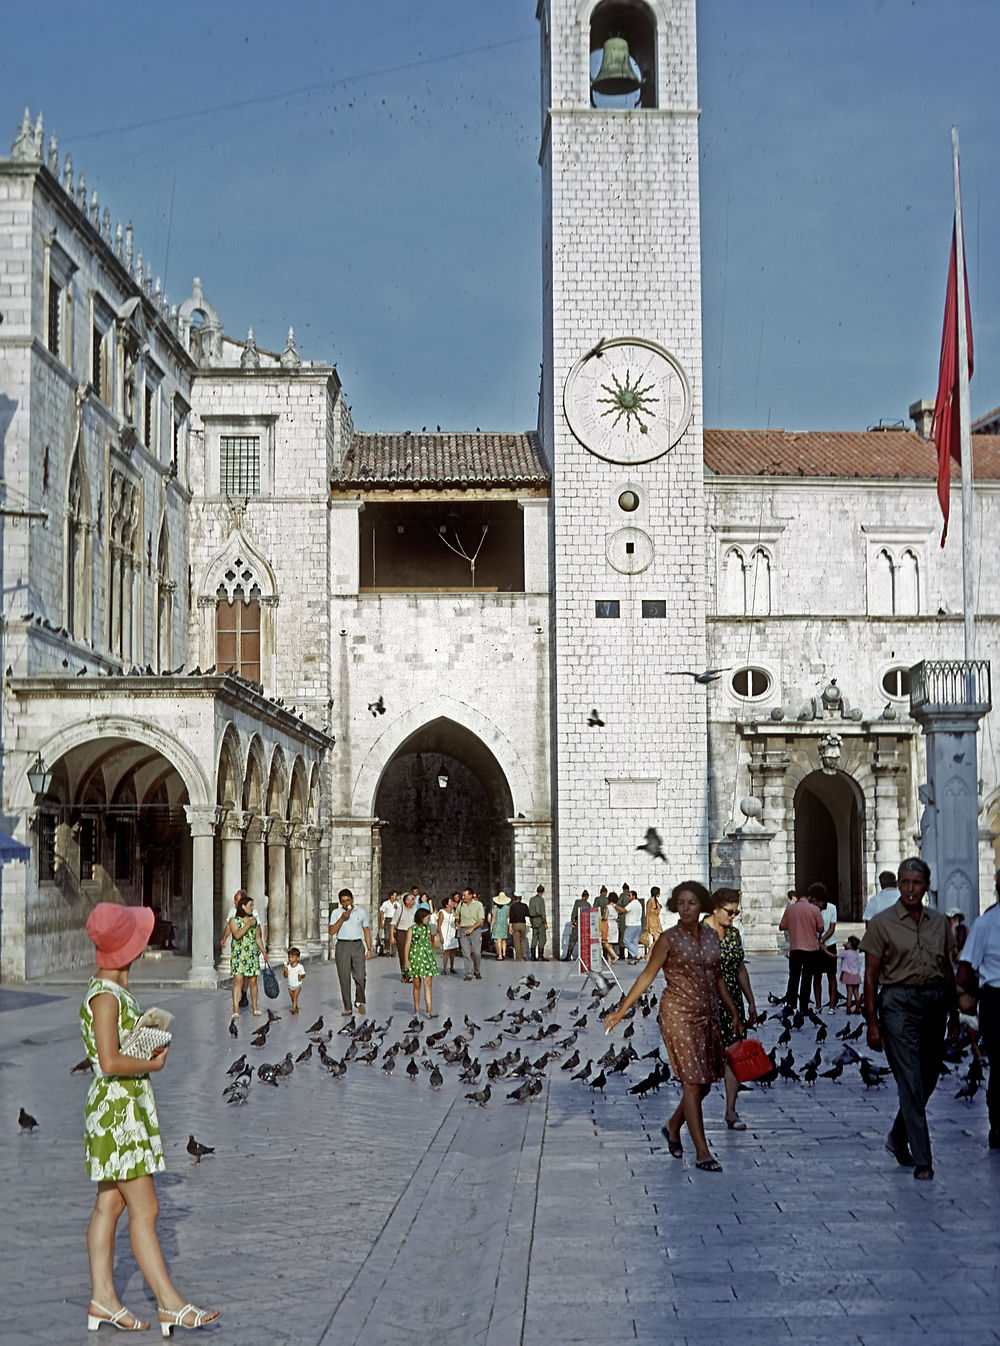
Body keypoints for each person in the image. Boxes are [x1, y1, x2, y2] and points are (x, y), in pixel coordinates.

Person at [81, 902, 219, 1336]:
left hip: (119, 1108)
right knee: (147, 1208)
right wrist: (152, 1064)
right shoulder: (105, 996)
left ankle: (103, 1297)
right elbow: (107, 1060)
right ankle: (169, 1303)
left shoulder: (112, 992)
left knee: (111, 1202)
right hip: (119, 1112)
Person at [605, 881, 743, 1172]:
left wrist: (733, 1011)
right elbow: (646, 976)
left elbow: (717, 977)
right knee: (692, 1083)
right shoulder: (667, 939)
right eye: (681, 903)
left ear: (701, 905)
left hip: (709, 1015)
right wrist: (620, 1012)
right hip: (678, 1017)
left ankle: (672, 1124)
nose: (686, 908)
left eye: (692, 903)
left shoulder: (711, 937)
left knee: (704, 1084)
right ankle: (702, 1152)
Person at [860, 857, 959, 1180]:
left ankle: (897, 1135)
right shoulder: (883, 923)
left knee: (928, 1077)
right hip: (898, 1004)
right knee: (910, 1079)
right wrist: (872, 1022)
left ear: (926, 886)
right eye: (905, 882)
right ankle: (923, 1159)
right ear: (898, 884)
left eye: (917, 883)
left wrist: (954, 1013)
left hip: (934, 1003)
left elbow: (947, 969)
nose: (910, 889)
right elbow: (871, 976)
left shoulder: (939, 922)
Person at [703, 888, 757, 1129]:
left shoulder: (734, 934)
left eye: (736, 913)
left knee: (733, 1057)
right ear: (715, 908)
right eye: (729, 912)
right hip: (705, 1004)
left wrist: (750, 1000)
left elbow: (739, 968)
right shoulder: (698, 932)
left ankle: (731, 1112)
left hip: (733, 1003)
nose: (733, 917)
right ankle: (686, 1117)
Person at [957, 869, 1000, 1150]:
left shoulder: (986, 923)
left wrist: (979, 993)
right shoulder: (986, 923)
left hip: (995, 1001)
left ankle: (998, 1127)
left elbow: (963, 973)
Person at [779, 885, 824, 1012]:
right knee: (807, 978)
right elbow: (821, 928)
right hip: (811, 950)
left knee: (793, 977)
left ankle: (791, 1004)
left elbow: (782, 926)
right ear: (809, 896)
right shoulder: (814, 909)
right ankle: (804, 1006)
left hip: (795, 949)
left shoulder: (791, 909)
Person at [328, 888, 372, 1015]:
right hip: (342, 945)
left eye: (348, 900)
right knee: (344, 977)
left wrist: (369, 948)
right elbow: (331, 931)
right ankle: (347, 1007)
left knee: (360, 976)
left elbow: (366, 930)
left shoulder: (361, 912)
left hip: (357, 944)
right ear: (340, 902)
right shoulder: (336, 913)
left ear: (352, 900)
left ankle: (359, 1001)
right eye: (343, 901)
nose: (346, 903)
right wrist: (342, 918)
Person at [224, 893, 265, 1019]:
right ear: (243, 906)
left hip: (251, 954)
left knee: (253, 982)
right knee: (238, 981)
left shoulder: (254, 920)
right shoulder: (233, 921)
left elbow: (258, 937)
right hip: (239, 954)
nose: (252, 908)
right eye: (250, 905)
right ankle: (235, 1008)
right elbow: (237, 935)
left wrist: (263, 951)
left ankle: (255, 1006)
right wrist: (248, 924)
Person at [404, 906, 440, 1017]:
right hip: (415, 957)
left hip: (427, 957)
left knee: (428, 984)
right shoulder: (412, 929)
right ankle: (417, 1010)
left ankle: (429, 1010)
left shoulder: (428, 928)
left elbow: (430, 941)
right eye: (427, 918)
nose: (429, 920)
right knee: (417, 984)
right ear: (421, 918)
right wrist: (406, 961)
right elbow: (407, 945)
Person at [808, 883, 839, 1010]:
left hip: (829, 944)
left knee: (831, 975)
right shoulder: (810, 908)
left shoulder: (831, 908)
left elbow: (832, 928)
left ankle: (832, 1004)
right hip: (815, 946)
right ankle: (818, 1004)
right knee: (817, 976)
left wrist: (822, 941)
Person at [457, 888, 486, 980]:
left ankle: (477, 971)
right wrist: (457, 923)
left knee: (477, 952)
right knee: (466, 953)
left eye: (465, 895)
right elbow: (457, 916)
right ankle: (468, 973)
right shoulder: (461, 904)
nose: (463, 897)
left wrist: (472, 929)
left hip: (475, 929)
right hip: (463, 930)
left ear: (470, 896)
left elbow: (481, 920)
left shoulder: (478, 905)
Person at [391, 892, 419, 982]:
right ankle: (405, 975)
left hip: (412, 933)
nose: (414, 900)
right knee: (403, 954)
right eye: (412, 899)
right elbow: (393, 923)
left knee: (412, 954)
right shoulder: (400, 909)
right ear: (407, 901)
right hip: (402, 932)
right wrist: (392, 936)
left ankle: (411, 973)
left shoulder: (415, 910)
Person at [838, 936, 862, 1015]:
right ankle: (858, 1008)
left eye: (848, 942)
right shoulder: (855, 953)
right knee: (856, 992)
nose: (846, 943)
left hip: (848, 975)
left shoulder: (845, 953)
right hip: (856, 975)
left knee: (849, 992)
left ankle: (848, 1008)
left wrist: (825, 950)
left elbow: (835, 955)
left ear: (851, 945)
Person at [437, 893, 460, 973]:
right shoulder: (442, 912)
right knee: (446, 951)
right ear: (447, 904)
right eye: (450, 902)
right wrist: (441, 936)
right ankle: (444, 968)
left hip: (452, 933)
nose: (452, 903)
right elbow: (439, 925)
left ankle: (452, 967)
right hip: (445, 933)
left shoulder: (453, 912)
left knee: (453, 951)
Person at [565, 890, 589, 961]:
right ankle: (584, 957)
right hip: (585, 925)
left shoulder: (577, 902)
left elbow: (574, 912)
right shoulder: (589, 905)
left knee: (572, 940)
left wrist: (572, 922)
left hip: (577, 923)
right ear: (587, 897)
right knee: (584, 941)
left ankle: (568, 956)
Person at [623, 889, 644, 963]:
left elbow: (623, 910)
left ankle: (637, 954)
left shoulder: (632, 903)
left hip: (632, 925)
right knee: (634, 942)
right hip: (638, 925)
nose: (627, 897)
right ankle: (634, 960)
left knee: (626, 941)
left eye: (629, 895)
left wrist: (615, 906)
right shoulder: (638, 903)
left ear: (634, 896)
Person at [529, 885, 549, 960]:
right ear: (542, 891)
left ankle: (533, 956)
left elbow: (530, 912)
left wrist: (531, 922)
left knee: (534, 938)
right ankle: (540, 956)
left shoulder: (531, 899)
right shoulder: (541, 900)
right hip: (540, 920)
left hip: (534, 920)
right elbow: (542, 912)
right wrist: (545, 922)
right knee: (542, 938)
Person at [283, 946, 305, 1014]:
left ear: (297, 958)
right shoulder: (288, 967)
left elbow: (303, 974)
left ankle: (293, 1008)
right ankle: (296, 1007)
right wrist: (285, 971)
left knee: (295, 997)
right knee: (292, 998)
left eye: (292, 957)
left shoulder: (300, 967)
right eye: (289, 957)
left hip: (297, 985)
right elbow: (285, 976)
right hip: (290, 985)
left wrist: (300, 976)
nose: (290, 959)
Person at [509, 893, 530, 961]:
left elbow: (511, 917)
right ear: (520, 898)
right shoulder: (524, 906)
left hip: (515, 924)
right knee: (523, 940)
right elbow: (528, 914)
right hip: (523, 924)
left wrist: (510, 927)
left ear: (515, 898)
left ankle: (518, 957)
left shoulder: (512, 906)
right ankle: (524, 954)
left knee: (516, 941)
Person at [491, 891, 511, 961]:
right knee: (504, 939)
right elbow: (508, 918)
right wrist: (510, 926)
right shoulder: (507, 908)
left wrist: (491, 926)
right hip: (504, 924)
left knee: (498, 940)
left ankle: (500, 955)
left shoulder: (495, 907)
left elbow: (493, 918)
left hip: (497, 924)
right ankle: (504, 953)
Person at [644, 887, 663, 959]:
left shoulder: (655, 901)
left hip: (656, 922)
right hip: (652, 922)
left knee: (656, 940)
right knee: (657, 940)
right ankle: (648, 954)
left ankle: (653, 955)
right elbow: (648, 914)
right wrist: (647, 925)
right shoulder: (650, 901)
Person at [602, 896, 620, 963]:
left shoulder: (608, 907)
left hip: (608, 925)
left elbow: (606, 917)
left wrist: (602, 917)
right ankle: (609, 960)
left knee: (605, 943)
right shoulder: (615, 907)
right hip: (614, 925)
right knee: (610, 943)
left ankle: (615, 956)